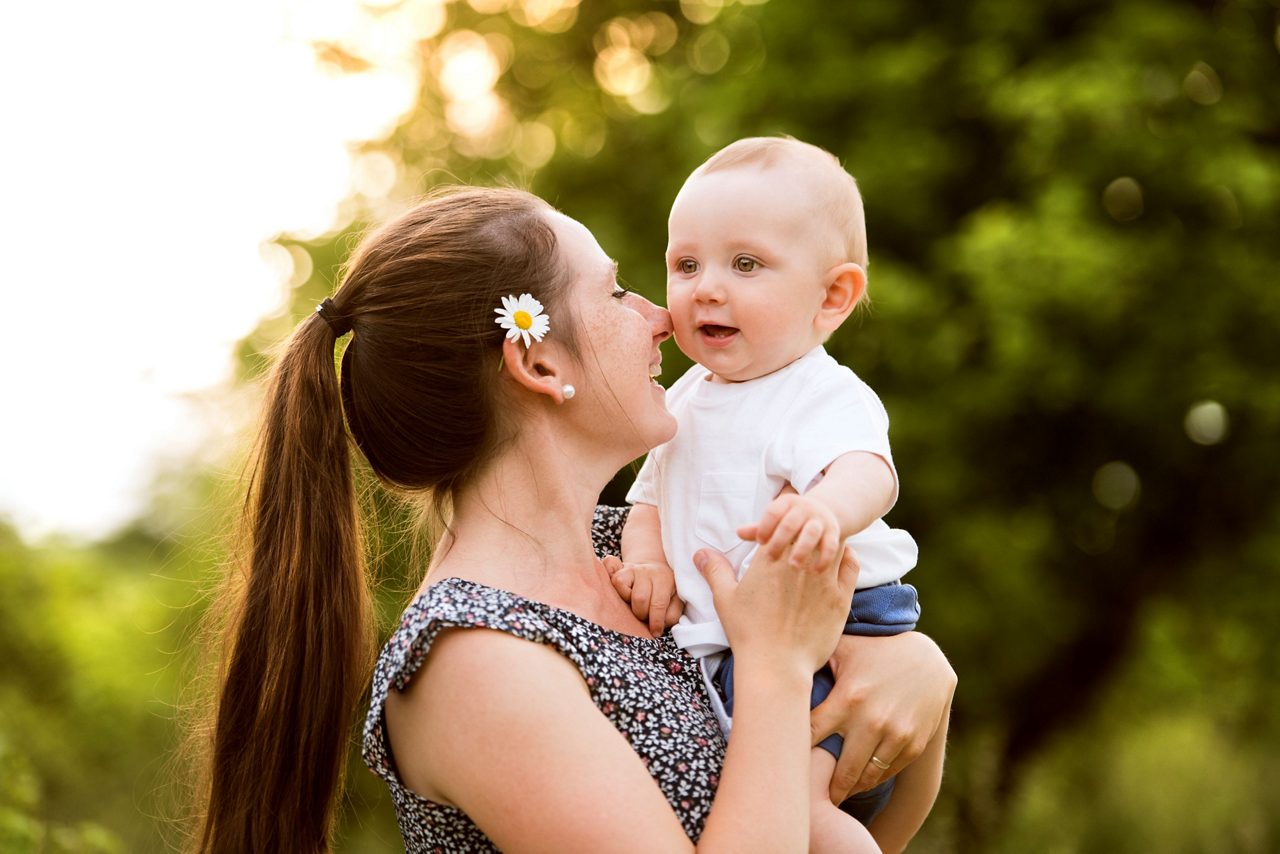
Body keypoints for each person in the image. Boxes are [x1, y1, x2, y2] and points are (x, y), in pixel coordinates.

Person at [194, 186, 956, 853]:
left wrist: (917, 676)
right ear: (540, 364)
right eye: (618, 293)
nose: (663, 316)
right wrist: (779, 669)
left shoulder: (641, 557)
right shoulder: (475, 658)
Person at [613, 136, 948, 853]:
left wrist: (822, 510)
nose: (707, 287)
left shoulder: (818, 391)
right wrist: (647, 562)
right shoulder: (684, 399)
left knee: (808, 816)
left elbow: (870, 473)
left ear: (832, 296)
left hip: (837, 627)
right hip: (741, 644)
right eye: (686, 263)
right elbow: (649, 498)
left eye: (745, 264)